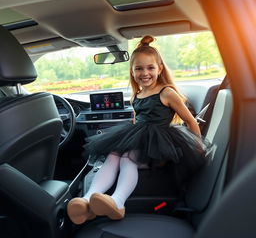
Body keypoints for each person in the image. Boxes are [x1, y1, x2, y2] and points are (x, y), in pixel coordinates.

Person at [67, 35, 211, 225]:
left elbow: (191, 121)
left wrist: (198, 145)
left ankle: (118, 202)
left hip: (159, 144)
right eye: (139, 68)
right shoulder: (137, 94)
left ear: (160, 69)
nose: (145, 73)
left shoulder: (166, 92)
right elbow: (137, 120)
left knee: (128, 159)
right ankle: (88, 200)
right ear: (132, 71)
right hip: (140, 136)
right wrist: (129, 138)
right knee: (113, 155)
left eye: (150, 67)